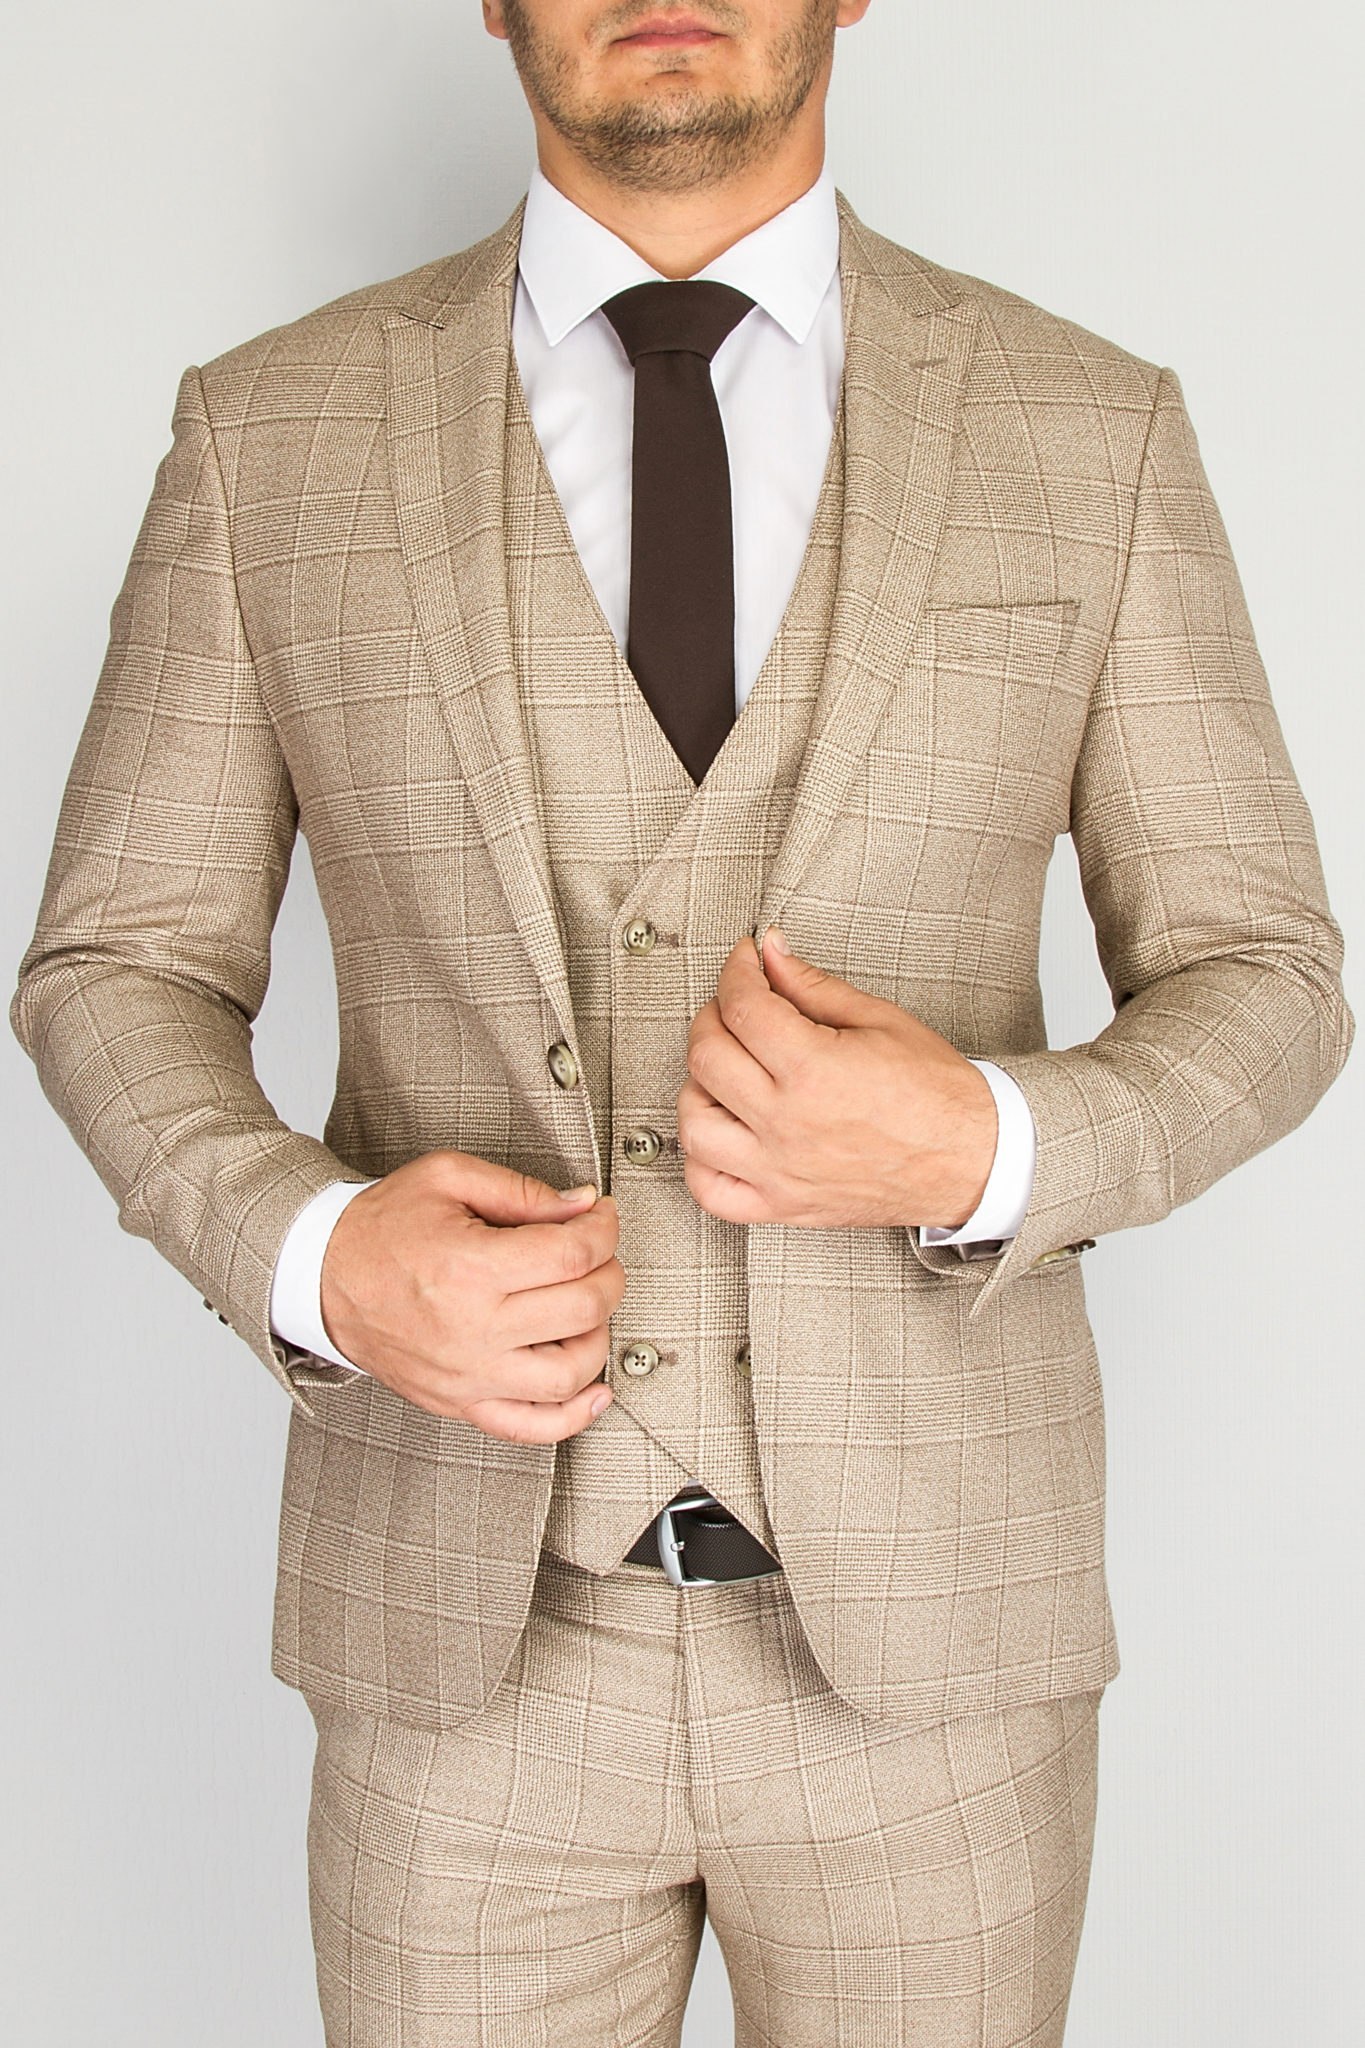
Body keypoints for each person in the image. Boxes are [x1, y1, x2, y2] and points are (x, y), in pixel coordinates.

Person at [11, 1, 1352, 2041]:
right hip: (463, 1670)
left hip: (934, 1665)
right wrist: (313, 1254)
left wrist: (988, 1146)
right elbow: (116, 963)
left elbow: (1265, 971)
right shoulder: (266, 434)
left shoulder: (1088, 429)